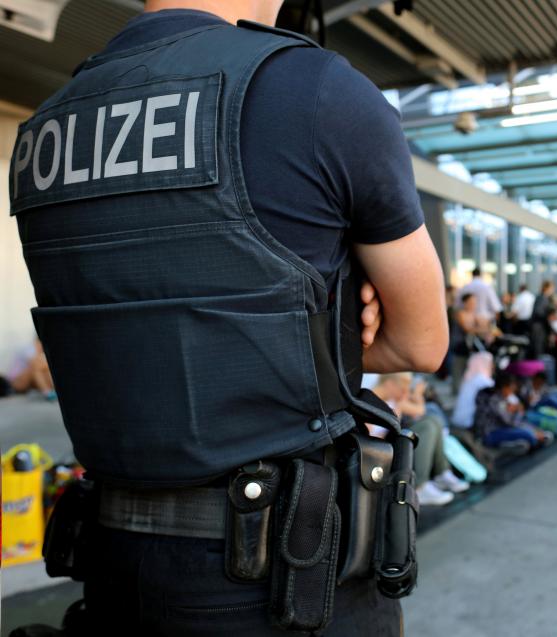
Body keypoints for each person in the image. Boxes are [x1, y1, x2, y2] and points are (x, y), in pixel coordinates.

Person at [8, 1, 448, 634]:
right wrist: (336, 327)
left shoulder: (47, 125)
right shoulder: (318, 92)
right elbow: (422, 342)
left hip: (111, 570)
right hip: (285, 587)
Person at [371, 374, 469, 505]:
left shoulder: (394, 400)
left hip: (392, 446)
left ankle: (441, 472)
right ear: (390, 384)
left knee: (434, 420)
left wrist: (416, 395)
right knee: (427, 426)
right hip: (381, 453)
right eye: (403, 389)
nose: (405, 393)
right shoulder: (370, 401)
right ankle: (420, 486)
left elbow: (420, 410)